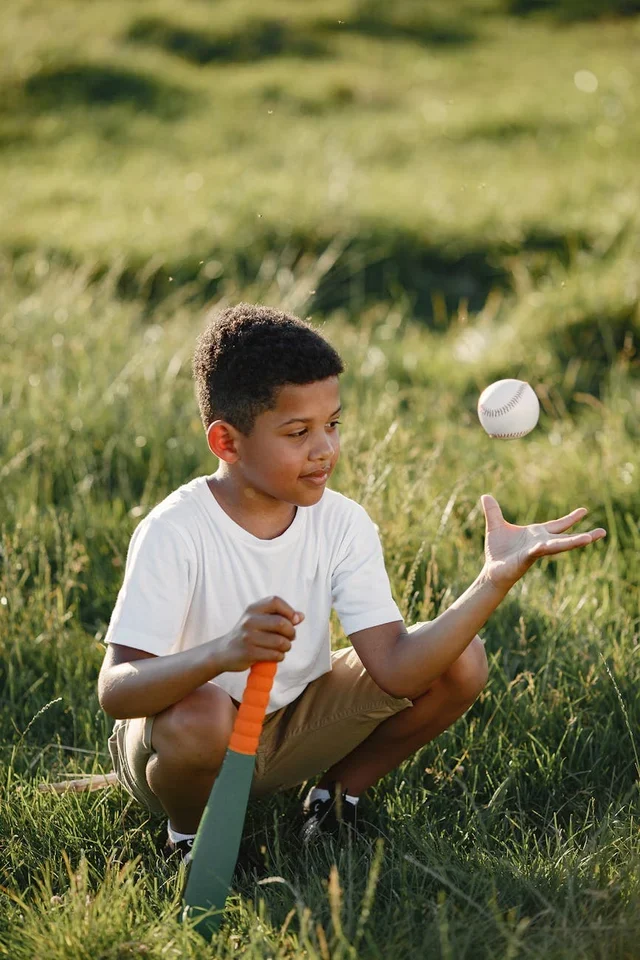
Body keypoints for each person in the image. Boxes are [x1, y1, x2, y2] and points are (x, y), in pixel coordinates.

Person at [98, 302, 607, 866]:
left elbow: (393, 666)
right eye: (298, 432)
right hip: (183, 750)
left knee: (463, 660)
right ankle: (190, 839)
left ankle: (333, 799)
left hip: (291, 723)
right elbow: (118, 691)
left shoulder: (341, 522)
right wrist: (222, 653)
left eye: (332, 424)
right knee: (202, 715)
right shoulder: (175, 529)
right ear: (227, 443)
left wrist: (492, 580)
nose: (325, 449)